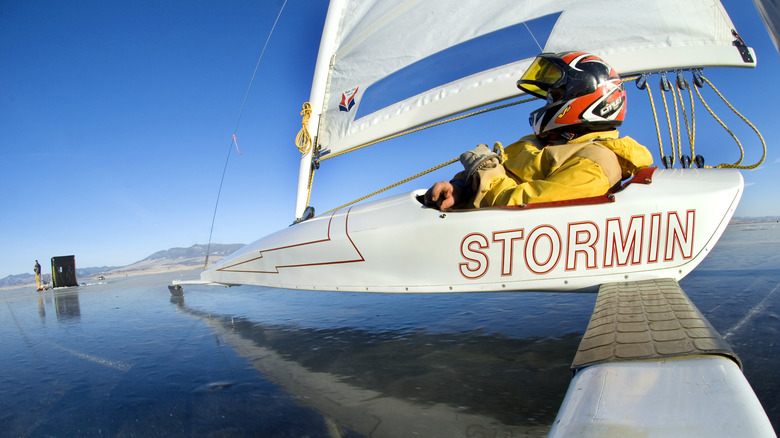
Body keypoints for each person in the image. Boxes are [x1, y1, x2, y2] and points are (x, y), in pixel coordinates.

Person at [424, 51, 653, 210]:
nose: (547, 105)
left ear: (583, 99)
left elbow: (520, 206)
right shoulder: (546, 144)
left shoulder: (596, 163)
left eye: (554, 96)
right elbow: (503, 173)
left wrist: (484, 169)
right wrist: (459, 187)